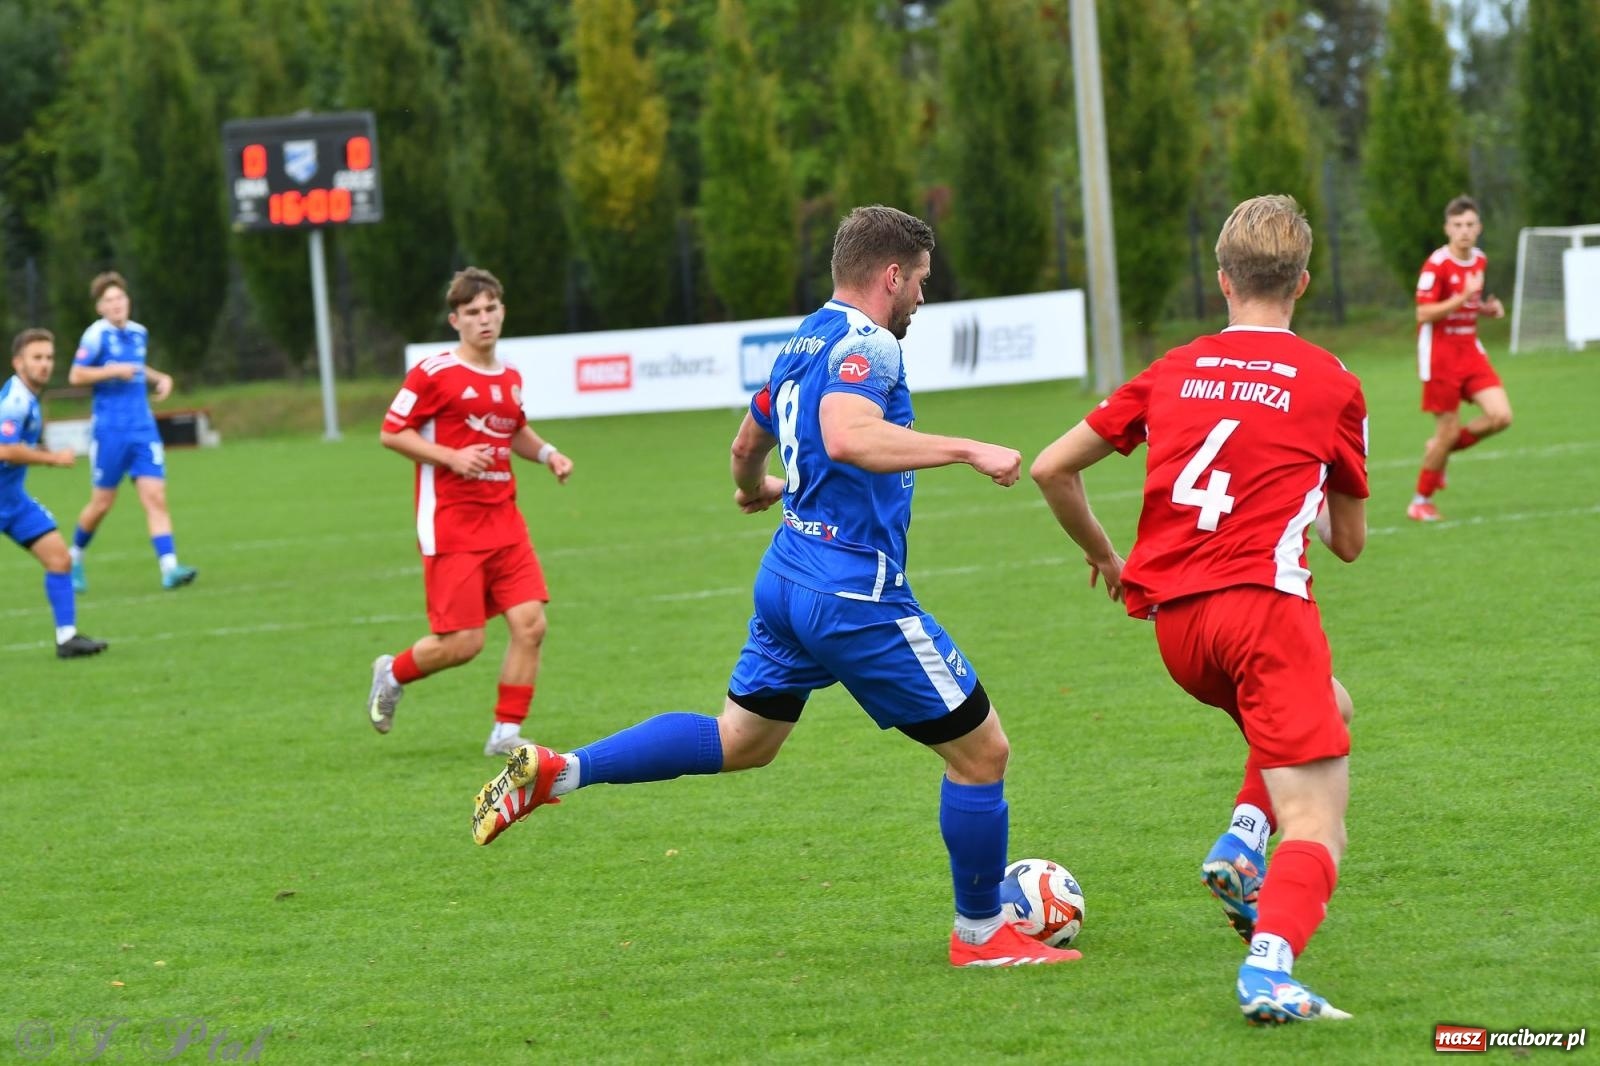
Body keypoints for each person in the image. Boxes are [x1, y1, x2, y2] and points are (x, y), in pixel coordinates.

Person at [469, 205, 1080, 969]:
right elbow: (848, 435)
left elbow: (743, 442)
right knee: (983, 755)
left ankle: (562, 771)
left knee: (741, 740)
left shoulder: (803, 338)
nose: (923, 297)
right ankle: (983, 937)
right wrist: (968, 448)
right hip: (852, 592)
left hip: (787, 573)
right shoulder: (870, 344)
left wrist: (755, 486)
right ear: (891, 276)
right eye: (921, 282)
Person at [1030, 195, 1367, 1021]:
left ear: (1222, 281)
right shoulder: (1332, 382)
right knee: (1318, 818)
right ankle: (1269, 970)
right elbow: (1349, 541)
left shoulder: (1173, 368)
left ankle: (1241, 846)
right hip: (1262, 611)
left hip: (1178, 628)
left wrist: (1105, 556)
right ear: (1304, 283)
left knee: (1332, 706)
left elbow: (1050, 467)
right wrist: (1307, 484)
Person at [366, 267, 575, 757]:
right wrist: (452, 457)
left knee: (531, 624)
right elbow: (392, 431)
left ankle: (506, 733)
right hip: (452, 523)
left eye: (491, 309)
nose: (484, 319)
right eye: (473, 312)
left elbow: (514, 430)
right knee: (462, 643)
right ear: (455, 319)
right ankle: (392, 672)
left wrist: (549, 455)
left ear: (502, 311)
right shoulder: (434, 374)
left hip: (504, 519)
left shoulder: (510, 378)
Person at [66, 271, 198, 591]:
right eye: (108, 301)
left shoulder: (139, 333)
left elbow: (137, 366)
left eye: (120, 298)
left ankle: (169, 568)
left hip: (143, 429)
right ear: (100, 307)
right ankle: (74, 559)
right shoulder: (95, 336)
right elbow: (76, 375)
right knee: (102, 504)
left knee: (155, 497)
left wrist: (159, 378)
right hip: (110, 431)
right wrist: (112, 370)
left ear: (128, 301)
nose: (116, 305)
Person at [1, 328, 109, 658]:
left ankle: (67, 638)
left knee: (59, 559)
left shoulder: (28, 398)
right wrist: (52, 459)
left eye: (49, 357)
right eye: (37, 357)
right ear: (18, 362)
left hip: (11, 499)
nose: (45, 364)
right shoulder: (15, 401)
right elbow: (5, 449)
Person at [1408, 194, 1512, 522]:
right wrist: (1464, 297)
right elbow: (1423, 312)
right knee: (1448, 432)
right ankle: (1420, 499)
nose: (1464, 231)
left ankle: (1438, 451)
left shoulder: (1479, 260)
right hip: (1439, 357)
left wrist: (1485, 308)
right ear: (1447, 228)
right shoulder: (1436, 265)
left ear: (1479, 227)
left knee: (1501, 416)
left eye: (1469, 225)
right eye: (1457, 225)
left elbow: (1467, 304)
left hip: (1471, 351)